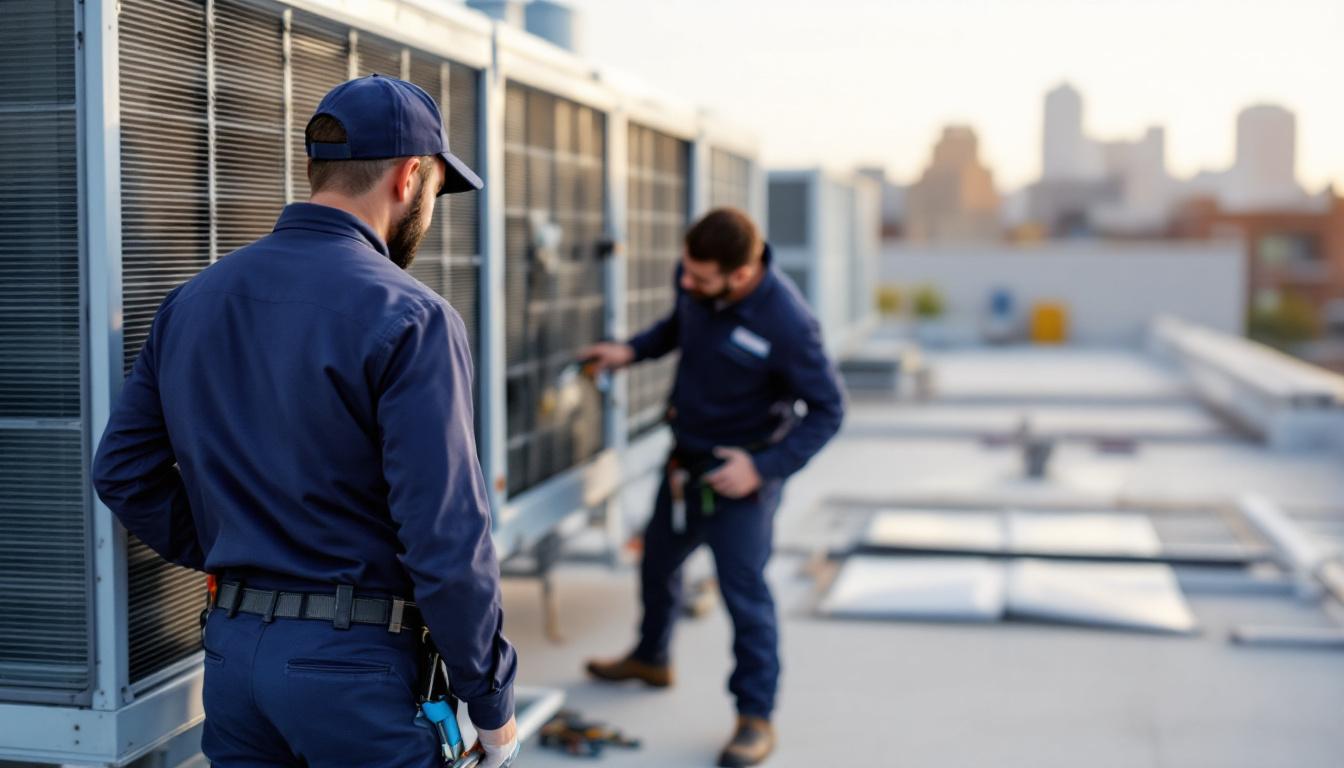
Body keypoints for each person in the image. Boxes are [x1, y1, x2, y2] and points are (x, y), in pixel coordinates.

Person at [92, 75, 518, 768]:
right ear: (410, 178)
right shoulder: (413, 317)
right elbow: (446, 537)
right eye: (437, 193)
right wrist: (491, 701)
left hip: (233, 663)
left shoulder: (192, 302)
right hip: (355, 672)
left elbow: (123, 471)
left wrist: (245, 552)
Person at [582, 208, 846, 767]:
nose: (687, 284)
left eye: (700, 278)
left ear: (742, 274)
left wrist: (764, 467)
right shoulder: (698, 291)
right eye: (686, 272)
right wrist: (631, 350)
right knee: (656, 563)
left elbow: (828, 410)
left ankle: (755, 718)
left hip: (741, 480)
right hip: (685, 466)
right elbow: (677, 326)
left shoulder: (788, 323)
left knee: (744, 595)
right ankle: (652, 657)